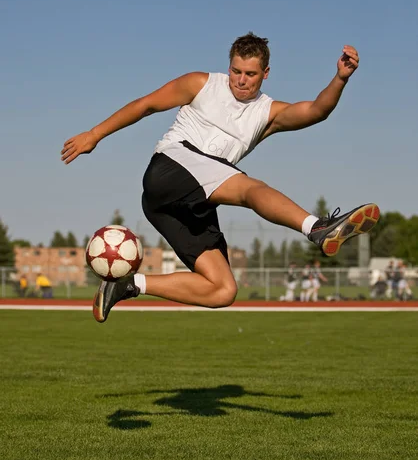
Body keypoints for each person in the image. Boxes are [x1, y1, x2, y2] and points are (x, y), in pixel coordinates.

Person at [61, 32, 380, 322]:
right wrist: (94, 134)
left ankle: (127, 286)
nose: (241, 80)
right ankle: (318, 228)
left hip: (183, 203)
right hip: (170, 168)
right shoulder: (201, 83)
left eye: (250, 74)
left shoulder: (267, 114)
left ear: (265, 74)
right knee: (250, 188)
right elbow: (146, 105)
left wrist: (340, 78)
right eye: (236, 71)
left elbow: (316, 110)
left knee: (223, 289)